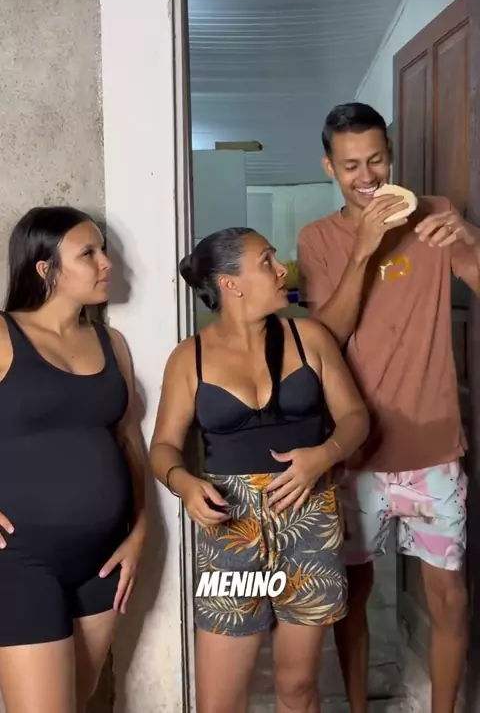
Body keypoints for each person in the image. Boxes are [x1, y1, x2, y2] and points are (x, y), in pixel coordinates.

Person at [298, 102, 480, 713]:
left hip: (434, 446)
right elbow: (326, 335)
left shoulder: (435, 215)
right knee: (351, 596)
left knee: (451, 598)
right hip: (354, 453)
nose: (367, 176)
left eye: (376, 159)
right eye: (351, 165)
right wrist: (364, 249)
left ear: (391, 154)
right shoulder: (318, 238)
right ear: (329, 166)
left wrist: (472, 239)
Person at [149, 226, 370, 713]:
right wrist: (184, 484)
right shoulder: (189, 358)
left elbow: (356, 417)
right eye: (267, 261)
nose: (281, 270)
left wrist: (323, 455)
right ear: (231, 284)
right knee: (220, 700)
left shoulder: (309, 337)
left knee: (298, 687)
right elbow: (162, 447)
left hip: (308, 520)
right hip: (232, 531)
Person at [0, 206, 146, 713]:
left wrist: (141, 531)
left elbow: (130, 443)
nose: (107, 263)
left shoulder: (112, 343)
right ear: (46, 268)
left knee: (77, 701)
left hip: (102, 561)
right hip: (20, 561)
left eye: (103, 250)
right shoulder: (3, 336)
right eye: (89, 253)